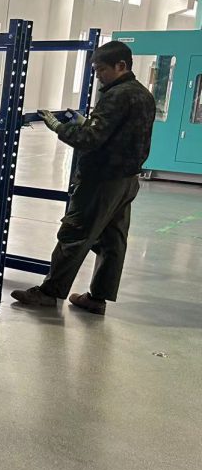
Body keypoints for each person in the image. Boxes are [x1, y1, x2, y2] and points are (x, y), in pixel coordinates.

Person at [11, 41, 156, 315]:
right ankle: (97, 298)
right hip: (127, 181)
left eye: (101, 70)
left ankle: (49, 293)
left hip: (101, 181)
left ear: (121, 65)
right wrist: (86, 122)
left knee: (75, 234)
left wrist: (60, 127)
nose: (98, 76)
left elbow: (90, 140)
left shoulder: (116, 96)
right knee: (112, 241)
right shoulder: (143, 94)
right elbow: (116, 133)